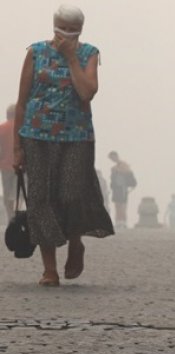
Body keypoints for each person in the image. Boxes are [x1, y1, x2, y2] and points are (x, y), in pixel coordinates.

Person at [13, 5, 113, 286]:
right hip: (37, 135)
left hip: (75, 137)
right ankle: (49, 269)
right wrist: (17, 147)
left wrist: (71, 59)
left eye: (72, 29)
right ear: (54, 25)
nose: (66, 34)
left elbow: (87, 91)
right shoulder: (35, 52)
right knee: (41, 200)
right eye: (62, 27)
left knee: (71, 195)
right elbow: (21, 101)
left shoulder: (88, 54)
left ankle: (75, 242)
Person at [108, 151, 135, 228]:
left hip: (122, 188)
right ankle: (118, 222)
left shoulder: (124, 164)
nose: (112, 160)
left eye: (112, 158)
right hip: (116, 189)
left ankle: (123, 222)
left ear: (116, 156)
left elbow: (127, 172)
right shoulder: (115, 167)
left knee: (122, 205)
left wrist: (116, 170)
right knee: (117, 205)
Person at [0, 104, 17, 221]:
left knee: (7, 193)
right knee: (20, 192)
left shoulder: (1, 128)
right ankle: (19, 214)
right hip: (20, 166)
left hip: (5, 167)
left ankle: (11, 217)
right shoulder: (21, 128)